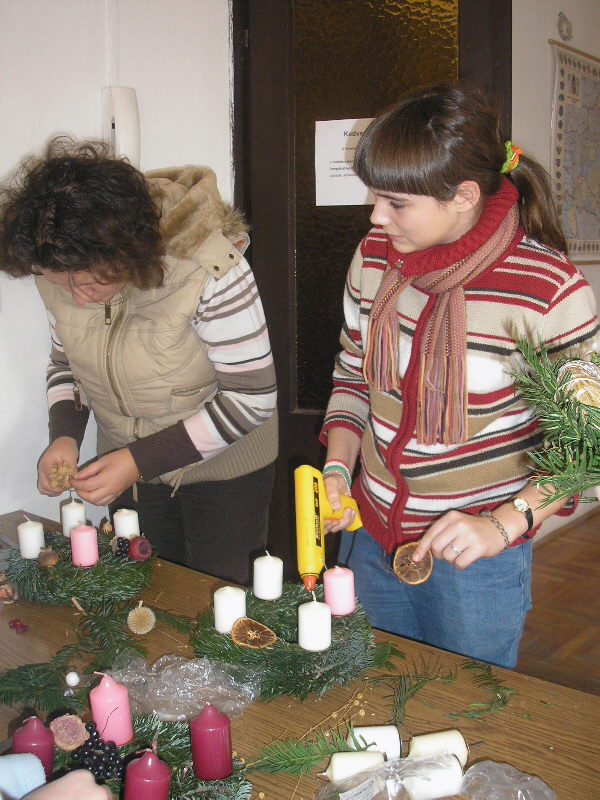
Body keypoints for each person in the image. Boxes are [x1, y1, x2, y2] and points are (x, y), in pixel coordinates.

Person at [320, 83, 599, 669]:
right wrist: (338, 470)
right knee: (370, 688)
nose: (376, 216)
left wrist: (502, 525)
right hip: (370, 533)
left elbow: (587, 445)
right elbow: (353, 375)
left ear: (464, 196)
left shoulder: (547, 289)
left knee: (465, 706)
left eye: (396, 202)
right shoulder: (374, 257)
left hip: (476, 558)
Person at [0, 138, 278, 585]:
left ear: (125, 252)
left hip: (224, 471)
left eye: (90, 284)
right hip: (129, 467)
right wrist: (65, 436)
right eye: (63, 284)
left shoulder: (208, 268)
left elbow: (252, 398)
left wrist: (137, 460)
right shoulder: (60, 265)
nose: (77, 297)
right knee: (141, 596)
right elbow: (66, 364)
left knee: (219, 603)